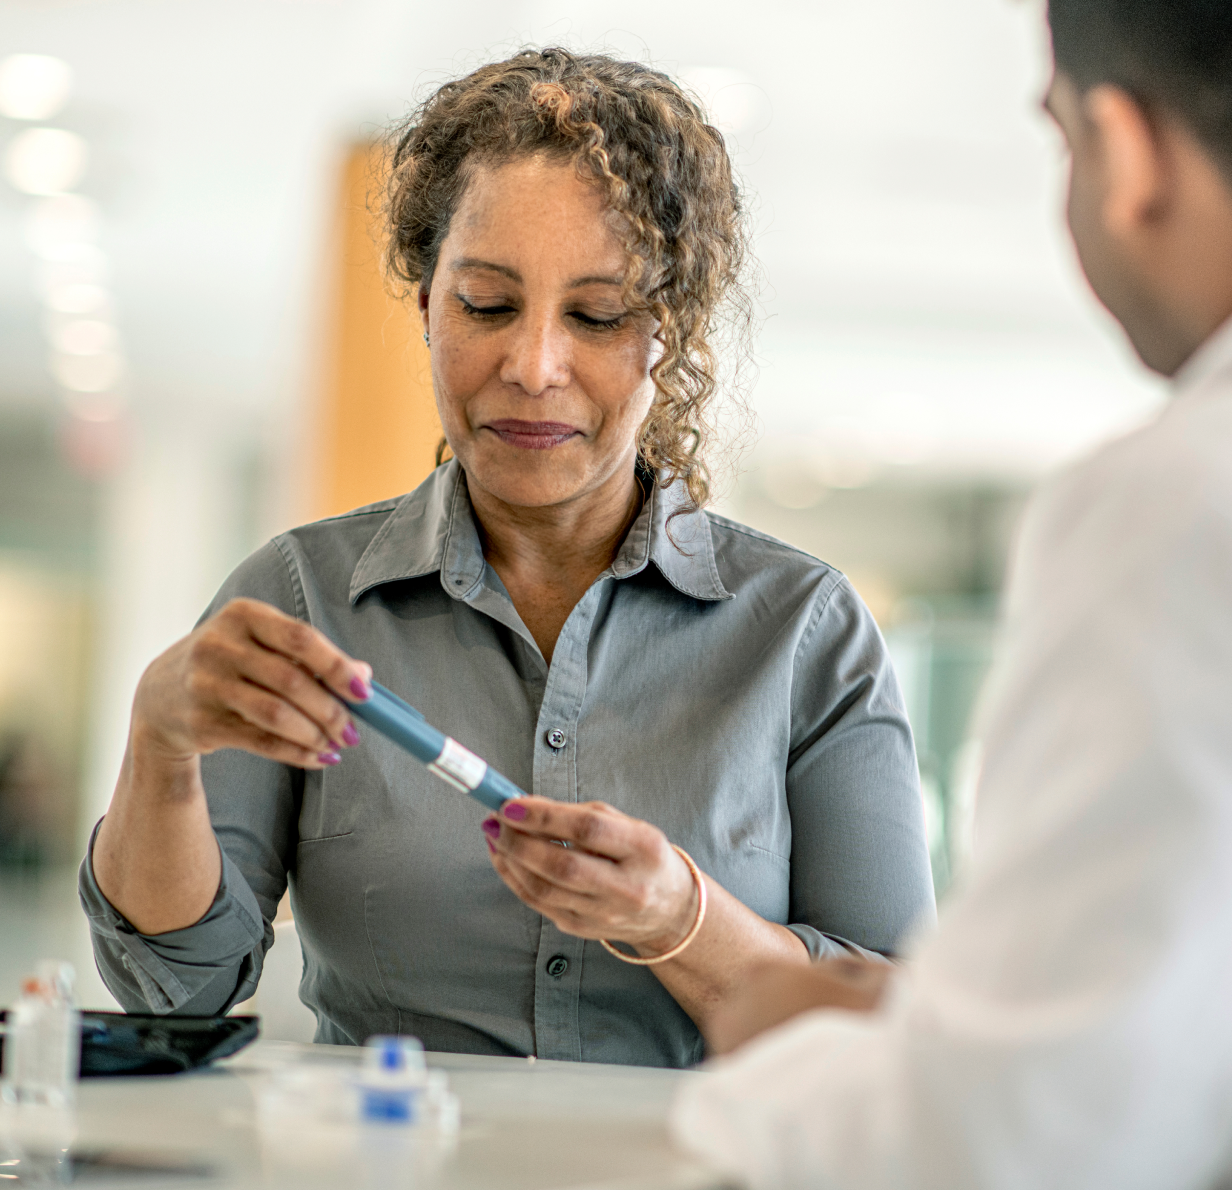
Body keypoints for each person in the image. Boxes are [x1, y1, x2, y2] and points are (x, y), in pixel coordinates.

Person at [79, 49, 935, 1069]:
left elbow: (885, 1026)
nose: (532, 365)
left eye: (598, 314)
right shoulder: (302, 597)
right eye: (486, 304)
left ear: (671, 336)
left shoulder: (804, 630)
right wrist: (159, 751)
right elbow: (174, 984)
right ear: (426, 308)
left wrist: (680, 918)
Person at [671, 0, 1232, 1183]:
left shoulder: (1192, 501)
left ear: (1127, 150)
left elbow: (1022, 1136)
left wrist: (773, 1046)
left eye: (1061, 140)